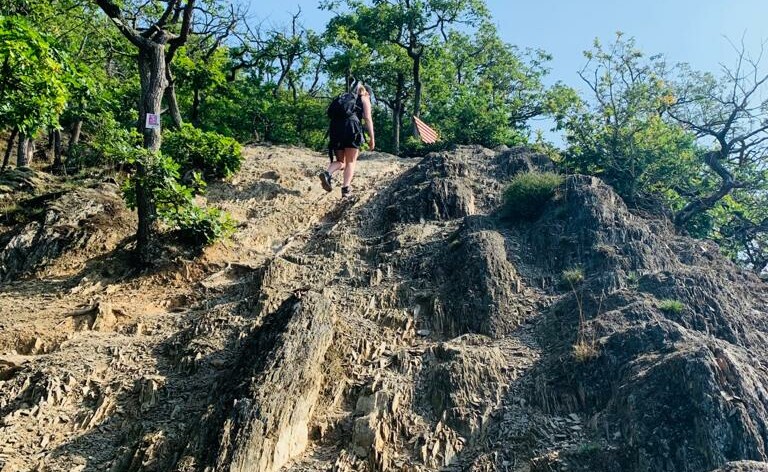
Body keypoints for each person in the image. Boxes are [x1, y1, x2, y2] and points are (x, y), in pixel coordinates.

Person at [319, 81, 375, 198]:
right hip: (351, 127)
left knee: (342, 162)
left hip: (335, 127)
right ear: (367, 93)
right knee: (350, 161)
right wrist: (372, 138)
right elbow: (368, 118)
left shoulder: (347, 98)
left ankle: (327, 173)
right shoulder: (364, 98)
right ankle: (346, 190)